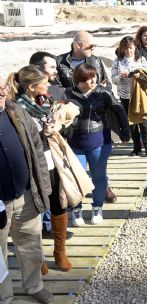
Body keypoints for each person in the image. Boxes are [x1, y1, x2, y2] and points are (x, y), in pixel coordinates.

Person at [7, 65, 74, 272]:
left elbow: (71, 109)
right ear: (32, 87)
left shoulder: (45, 101)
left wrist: (57, 125)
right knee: (34, 208)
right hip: (32, 164)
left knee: (58, 203)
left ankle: (60, 251)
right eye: (45, 84)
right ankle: (38, 257)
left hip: (51, 160)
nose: (49, 86)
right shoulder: (16, 108)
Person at [0, 74, 55, 304]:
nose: (2, 92)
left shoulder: (15, 110)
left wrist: (43, 183)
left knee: (31, 245)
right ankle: (4, 296)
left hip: (25, 195)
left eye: (2, 86)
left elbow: (35, 147)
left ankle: (34, 286)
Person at [65, 64, 130, 226]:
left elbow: (119, 110)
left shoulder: (104, 92)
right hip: (75, 143)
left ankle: (97, 208)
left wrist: (125, 132)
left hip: (100, 141)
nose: (94, 80)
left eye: (95, 76)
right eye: (89, 77)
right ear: (79, 79)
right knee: (76, 178)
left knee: (99, 176)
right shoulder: (68, 94)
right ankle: (76, 210)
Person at [29, 52, 74, 241]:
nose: (56, 71)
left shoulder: (56, 91)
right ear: (39, 69)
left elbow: (68, 122)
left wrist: (61, 125)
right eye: (52, 67)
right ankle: (40, 232)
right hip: (35, 157)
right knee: (37, 197)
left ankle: (58, 244)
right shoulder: (18, 103)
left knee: (57, 196)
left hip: (54, 153)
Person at [111, 36, 147, 157]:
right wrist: (121, 77)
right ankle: (137, 147)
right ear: (122, 49)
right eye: (126, 48)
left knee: (142, 120)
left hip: (139, 94)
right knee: (131, 122)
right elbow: (113, 79)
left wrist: (139, 75)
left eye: (131, 48)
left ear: (135, 47)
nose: (129, 51)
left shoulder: (141, 59)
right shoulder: (117, 61)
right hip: (125, 95)